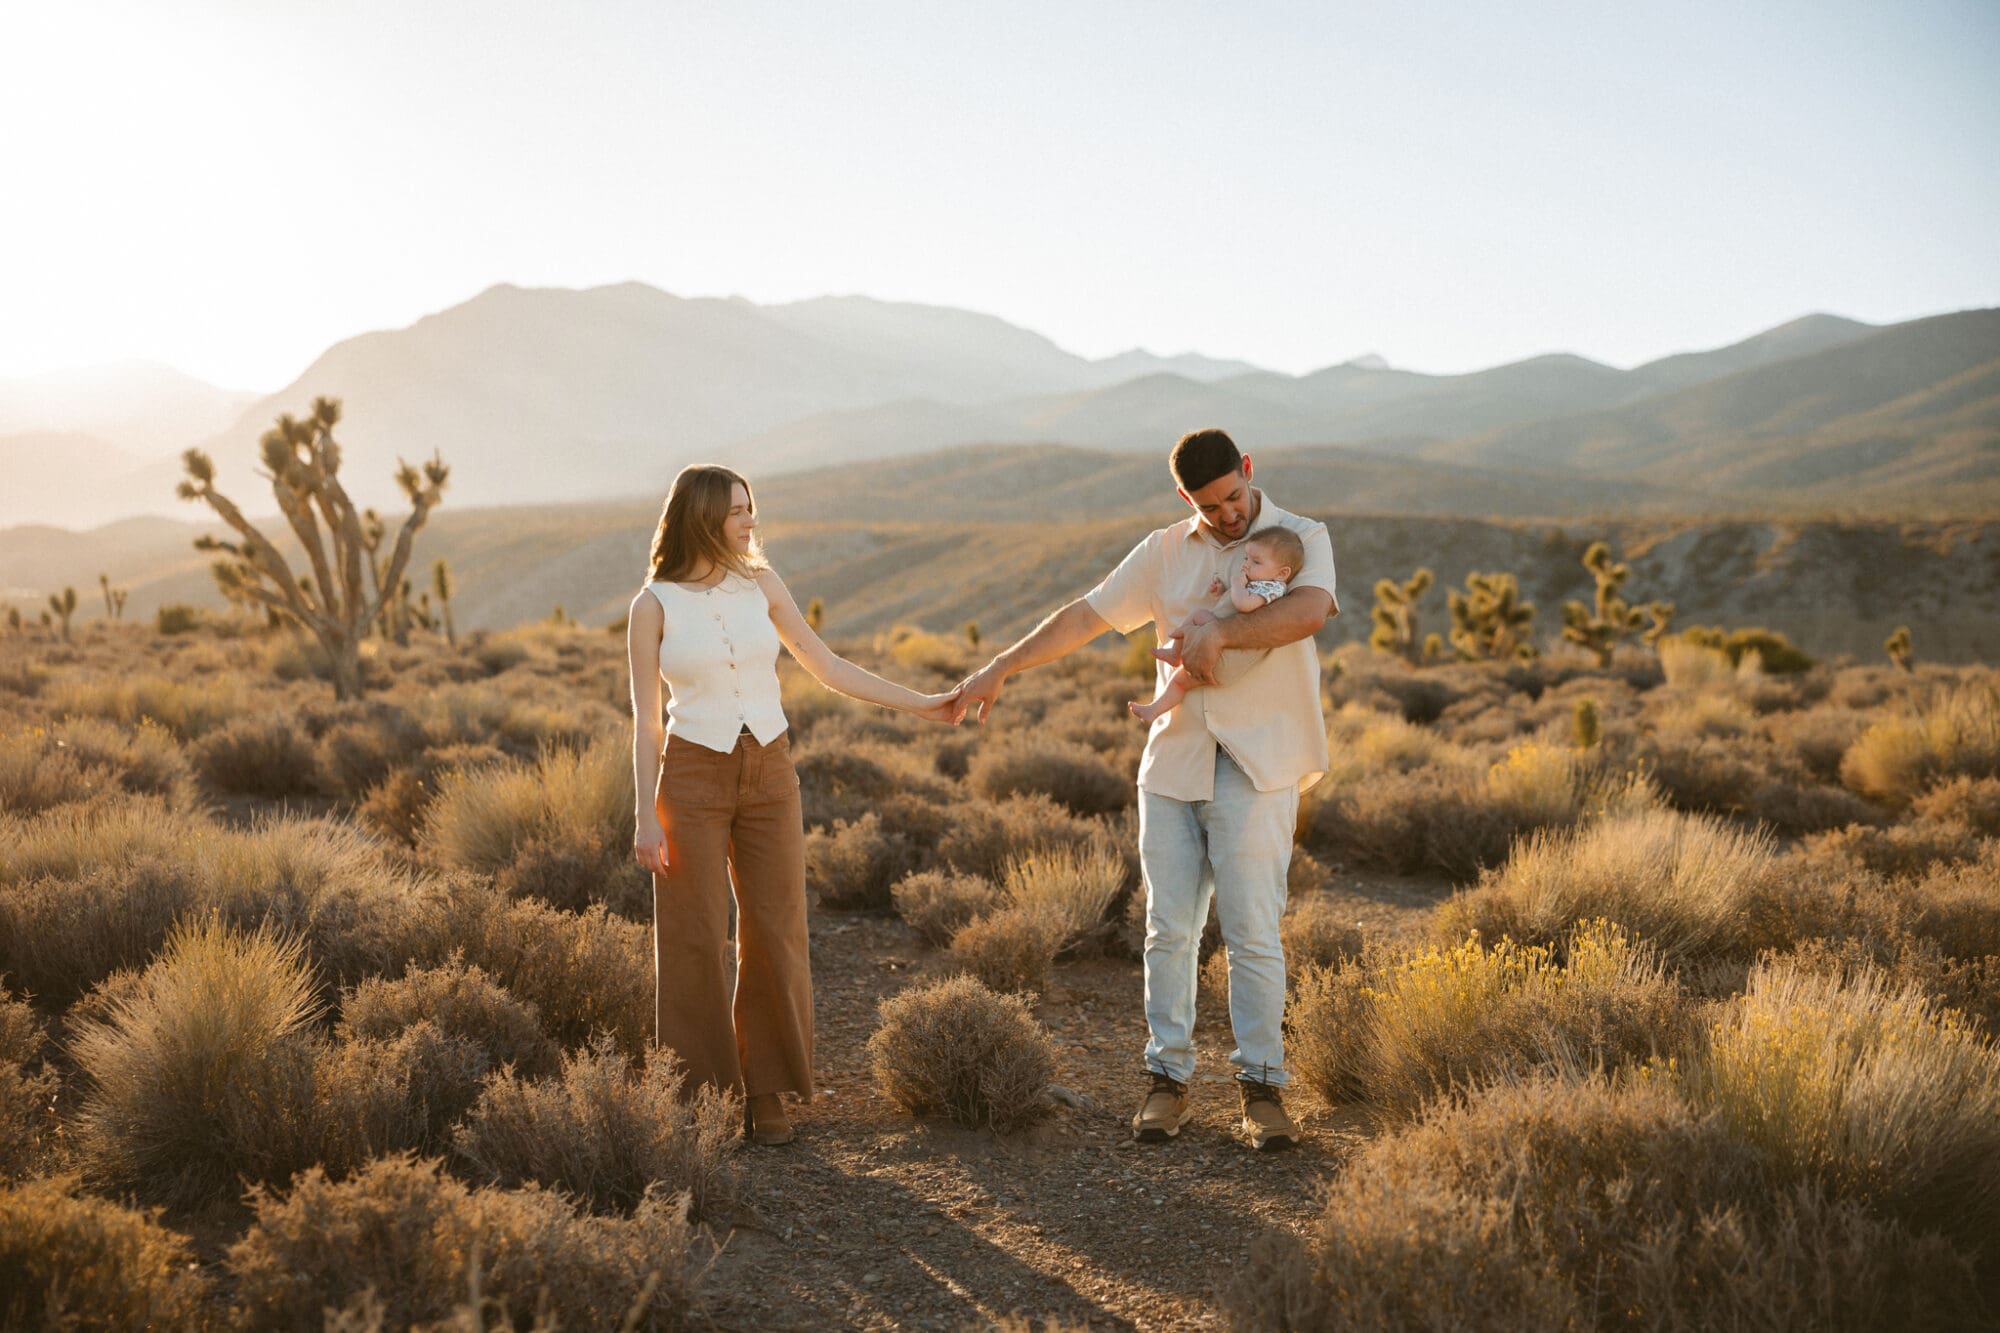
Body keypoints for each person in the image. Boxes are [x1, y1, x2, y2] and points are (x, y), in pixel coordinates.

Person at [952, 429, 1336, 1150]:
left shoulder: (1301, 536)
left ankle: (1262, 1087)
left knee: (1253, 930)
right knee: (1168, 928)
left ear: (1248, 471)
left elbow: (1309, 611)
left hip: (1258, 762)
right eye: (1210, 504)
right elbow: (1086, 615)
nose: (1228, 515)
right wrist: (1003, 665)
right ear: (1184, 498)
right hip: (1174, 761)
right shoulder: (1162, 551)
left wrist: (1219, 630)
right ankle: (1167, 1078)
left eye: (1233, 496)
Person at [628, 464, 961, 1146]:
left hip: (769, 770)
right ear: (700, 517)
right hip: (690, 774)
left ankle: (766, 1090)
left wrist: (922, 704)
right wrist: (642, 816)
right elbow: (644, 721)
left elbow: (829, 666)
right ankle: (705, 1099)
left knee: (775, 929)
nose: (750, 520)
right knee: (692, 938)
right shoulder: (652, 604)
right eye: (736, 511)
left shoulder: (763, 583)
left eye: (751, 508)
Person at [1129, 524, 1304, 725]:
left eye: (1256, 561)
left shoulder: (1273, 588)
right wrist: (1223, 590)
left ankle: (1153, 710)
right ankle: (1174, 653)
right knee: (1199, 616)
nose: (1246, 565)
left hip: (1227, 660)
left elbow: (1244, 605)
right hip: (1221, 643)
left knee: (1179, 681)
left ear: (1282, 573)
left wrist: (1237, 584)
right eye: (1246, 558)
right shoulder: (1258, 582)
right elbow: (1232, 605)